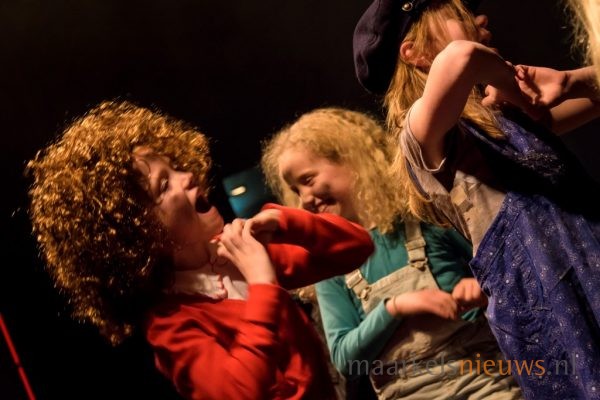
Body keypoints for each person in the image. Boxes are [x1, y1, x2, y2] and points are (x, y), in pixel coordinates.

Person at [27, 100, 375, 400]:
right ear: (139, 235)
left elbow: (356, 247)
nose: (188, 176)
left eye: (175, 166)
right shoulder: (171, 324)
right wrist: (262, 285)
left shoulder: (234, 253)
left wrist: (284, 220)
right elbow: (239, 393)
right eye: (164, 185)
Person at [352, 0, 600, 398]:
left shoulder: (508, 118)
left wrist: (570, 81)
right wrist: (513, 84)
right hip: (550, 314)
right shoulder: (421, 135)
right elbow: (461, 56)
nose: (480, 19)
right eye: (459, 14)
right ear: (414, 52)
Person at [261, 107, 522, 399]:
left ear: (352, 161)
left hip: (486, 385)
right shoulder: (328, 265)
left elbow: (503, 279)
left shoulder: (423, 219)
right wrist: (394, 308)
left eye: (308, 180)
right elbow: (345, 358)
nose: (304, 199)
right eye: (296, 191)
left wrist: (480, 290)